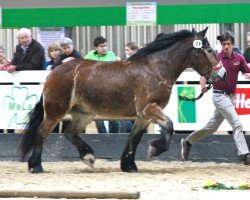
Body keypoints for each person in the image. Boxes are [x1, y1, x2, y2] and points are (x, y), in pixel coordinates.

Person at [181, 31, 250, 165]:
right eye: (223, 44)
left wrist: (248, 76)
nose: (225, 47)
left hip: (230, 98)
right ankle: (245, 155)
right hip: (219, 96)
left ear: (232, 45)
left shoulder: (239, 59)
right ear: (221, 44)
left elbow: (247, 71)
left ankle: (188, 141)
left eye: (228, 44)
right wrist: (202, 86)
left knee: (212, 127)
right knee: (237, 124)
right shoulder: (216, 58)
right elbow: (203, 75)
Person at [84, 36, 121, 134]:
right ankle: (103, 137)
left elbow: (103, 65)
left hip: (110, 90)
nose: (104, 48)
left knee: (114, 116)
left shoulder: (111, 54)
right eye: (101, 46)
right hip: (96, 90)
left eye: (105, 45)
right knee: (97, 116)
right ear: (96, 48)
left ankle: (115, 137)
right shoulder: (90, 54)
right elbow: (82, 64)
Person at [120, 42, 139, 133]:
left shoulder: (140, 61)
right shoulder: (125, 60)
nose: (126, 52)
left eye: (128, 50)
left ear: (135, 51)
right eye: (125, 50)